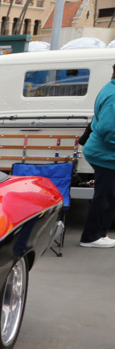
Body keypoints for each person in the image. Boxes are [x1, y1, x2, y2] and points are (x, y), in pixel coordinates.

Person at [80, 63, 115, 247]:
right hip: (105, 155)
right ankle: (91, 237)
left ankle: (98, 234)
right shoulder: (113, 95)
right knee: (105, 197)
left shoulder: (110, 87)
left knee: (107, 196)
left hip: (103, 153)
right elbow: (110, 131)